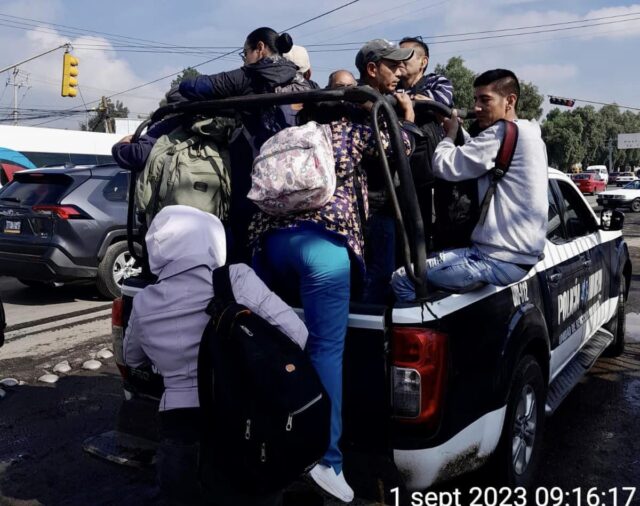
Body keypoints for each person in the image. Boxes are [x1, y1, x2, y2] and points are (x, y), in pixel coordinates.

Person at [249, 109, 413, 503]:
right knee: (326, 350)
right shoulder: (350, 131)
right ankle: (327, 460)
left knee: (267, 345)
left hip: (268, 245)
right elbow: (403, 146)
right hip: (323, 248)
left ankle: (263, 438)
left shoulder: (282, 135)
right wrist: (404, 116)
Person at [123, 205, 308, 506]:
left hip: (179, 436)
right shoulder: (234, 279)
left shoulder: (144, 303)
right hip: (246, 424)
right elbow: (298, 334)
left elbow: (132, 359)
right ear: (210, 239)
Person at [392, 69, 548, 298]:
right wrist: (454, 130)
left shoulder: (501, 132)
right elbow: (477, 151)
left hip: (495, 257)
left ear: (510, 101)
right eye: (475, 100)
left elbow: (444, 166)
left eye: (485, 100)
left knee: (403, 279)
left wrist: (448, 136)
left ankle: (423, 329)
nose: (476, 107)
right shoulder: (529, 132)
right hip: (518, 257)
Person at [179, 27, 312, 264]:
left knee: (244, 242)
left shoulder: (247, 77)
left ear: (259, 48)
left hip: (257, 181)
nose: (245, 59)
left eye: (245, 53)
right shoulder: (303, 83)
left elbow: (192, 87)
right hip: (300, 181)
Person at [354, 39, 416, 303]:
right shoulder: (365, 104)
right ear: (371, 69)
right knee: (378, 277)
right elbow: (397, 150)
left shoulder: (376, 100)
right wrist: (409, 118)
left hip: (371, 205)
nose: (400, 73)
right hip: (374, 207)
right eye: (392, 66)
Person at [398, 36, 453, 107]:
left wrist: (409, 97)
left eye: (405, 55)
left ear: (423, 62)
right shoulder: (391, 87)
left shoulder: (436, 82)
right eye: (397, 56)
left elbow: (444, 100)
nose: (398, 60)